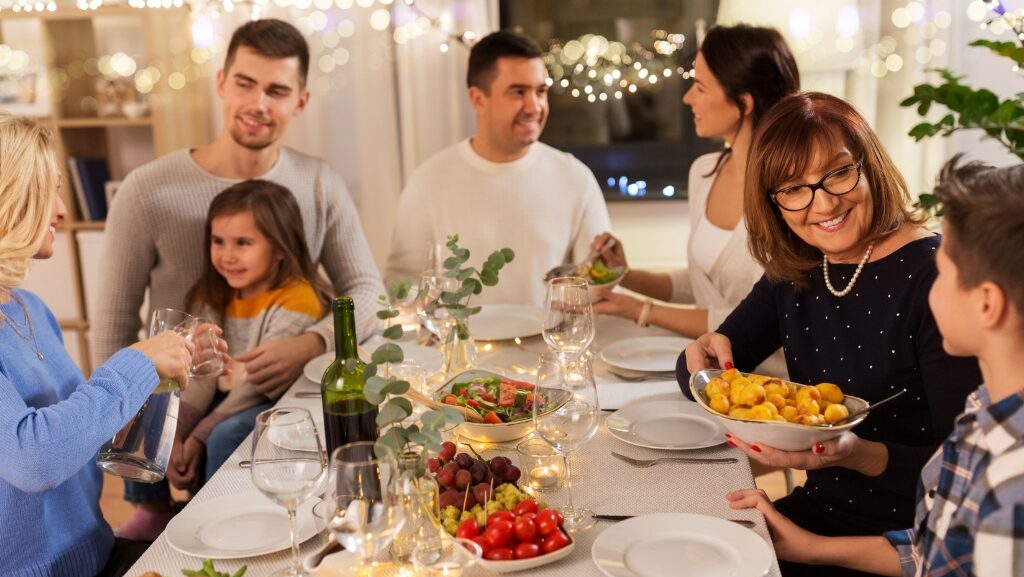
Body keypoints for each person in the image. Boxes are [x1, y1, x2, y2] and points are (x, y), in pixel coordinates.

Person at [681, 92, 981, 577]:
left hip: (911, 546)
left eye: (839, 174)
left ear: (870, 166)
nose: (822, 204)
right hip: (814, 516)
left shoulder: (936, 278)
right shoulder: (798, 268)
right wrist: (704, 352)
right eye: (793, 189)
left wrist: (856, 453)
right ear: (774, 203)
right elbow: (703, 367)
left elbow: (964, 478)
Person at [728, 158, 1024, 577]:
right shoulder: (980, 416)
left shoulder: (1010, 491)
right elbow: (934, 550)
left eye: (942, 269)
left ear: (986, 304)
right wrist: (811, 549)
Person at [94, 18, 384, 401]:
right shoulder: (145, 190)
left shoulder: (320, 183)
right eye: (245, 84)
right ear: (221, 83)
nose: (257, 104)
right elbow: (113, 330)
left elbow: (369, 295)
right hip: (177, 406)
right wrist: (138, 426)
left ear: (301, 101)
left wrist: (313, 343)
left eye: (277, 91)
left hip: (287, 402)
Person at [0, 114, 198, 577]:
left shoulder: (30, 309)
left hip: (95, 555)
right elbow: (36, 459)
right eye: (49, 189)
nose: (63, 210)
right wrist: (139, 362)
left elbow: (76, 440)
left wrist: (164, 377)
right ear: (11, 199)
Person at [117, 180, 331, 541]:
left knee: (223, 436)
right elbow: (200, 372)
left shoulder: (297, 297)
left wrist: (197, 438)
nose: (227, 255)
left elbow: (253, 383)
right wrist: (179, 430)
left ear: (279, 249)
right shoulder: (211, 293)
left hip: (272, 397)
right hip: (225, 390)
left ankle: (223, 516)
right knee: (146, 408)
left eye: (243, 243)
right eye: (219, 242)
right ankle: (153, 509)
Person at [591, 25, 797, 378]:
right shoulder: (704, 173)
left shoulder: (791, 195)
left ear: (743, 103)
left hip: (770, 383)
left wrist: (641, 311)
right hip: (709, 377)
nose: (687, 98)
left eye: (700, 87)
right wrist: (625, 276)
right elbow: (703, 285)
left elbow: (754, 316)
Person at [383, 30, 611, 306]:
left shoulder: (576, 178)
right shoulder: (429, 180)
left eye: (541, 91)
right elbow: (401, 281)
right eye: (518, 92)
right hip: (461, 348)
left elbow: (599, 285)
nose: (534, 106)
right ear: (478, 99)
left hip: (548, 347)